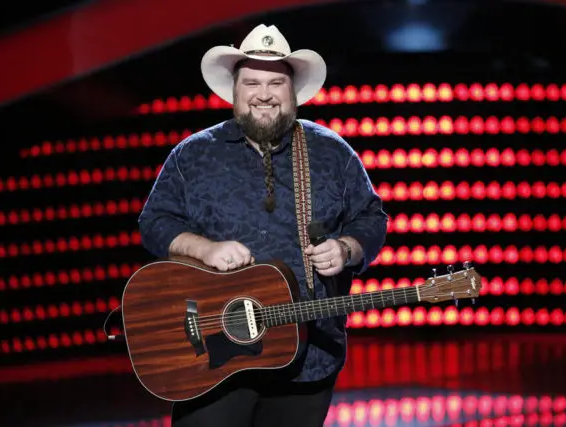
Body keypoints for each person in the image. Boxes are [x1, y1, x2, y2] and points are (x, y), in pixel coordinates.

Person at [138, 23, 388, 427]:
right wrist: (205, 249)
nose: (264, 95)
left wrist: (347, 249)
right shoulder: (192, 155)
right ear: (234, 90)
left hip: (307, 359)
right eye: (252, 83)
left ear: (293, 92)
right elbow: (154, 222)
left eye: (276, 83)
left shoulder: (331, 152)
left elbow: (371, 220)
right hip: (211, 353)